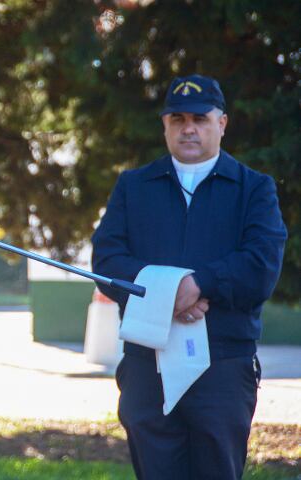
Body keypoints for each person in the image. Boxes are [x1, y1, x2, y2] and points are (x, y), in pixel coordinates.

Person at [91, 74, 287, 479]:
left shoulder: (254, 189)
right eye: (177, 118)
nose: (189, 128)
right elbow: (108, 259)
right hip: (148, 366)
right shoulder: (134, 186)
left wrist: (200, 285)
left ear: (222, 123)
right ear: (165, 126)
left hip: (222, 366)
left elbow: (261, 265)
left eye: (200, 118)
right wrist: (169, 292)